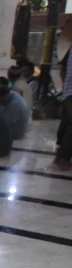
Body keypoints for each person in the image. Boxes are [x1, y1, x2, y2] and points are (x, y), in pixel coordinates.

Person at [0, 75, 29, 143]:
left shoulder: (14, 105)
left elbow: (5, 124)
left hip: (17, 133)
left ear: (3, 98)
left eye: (0, 101)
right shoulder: (13, 94)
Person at [57, 25, 72, 171]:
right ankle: (63, 157)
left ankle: (61, 151)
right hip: (71, 93)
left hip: (68, 92)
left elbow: (62, 70)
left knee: (67, 122)